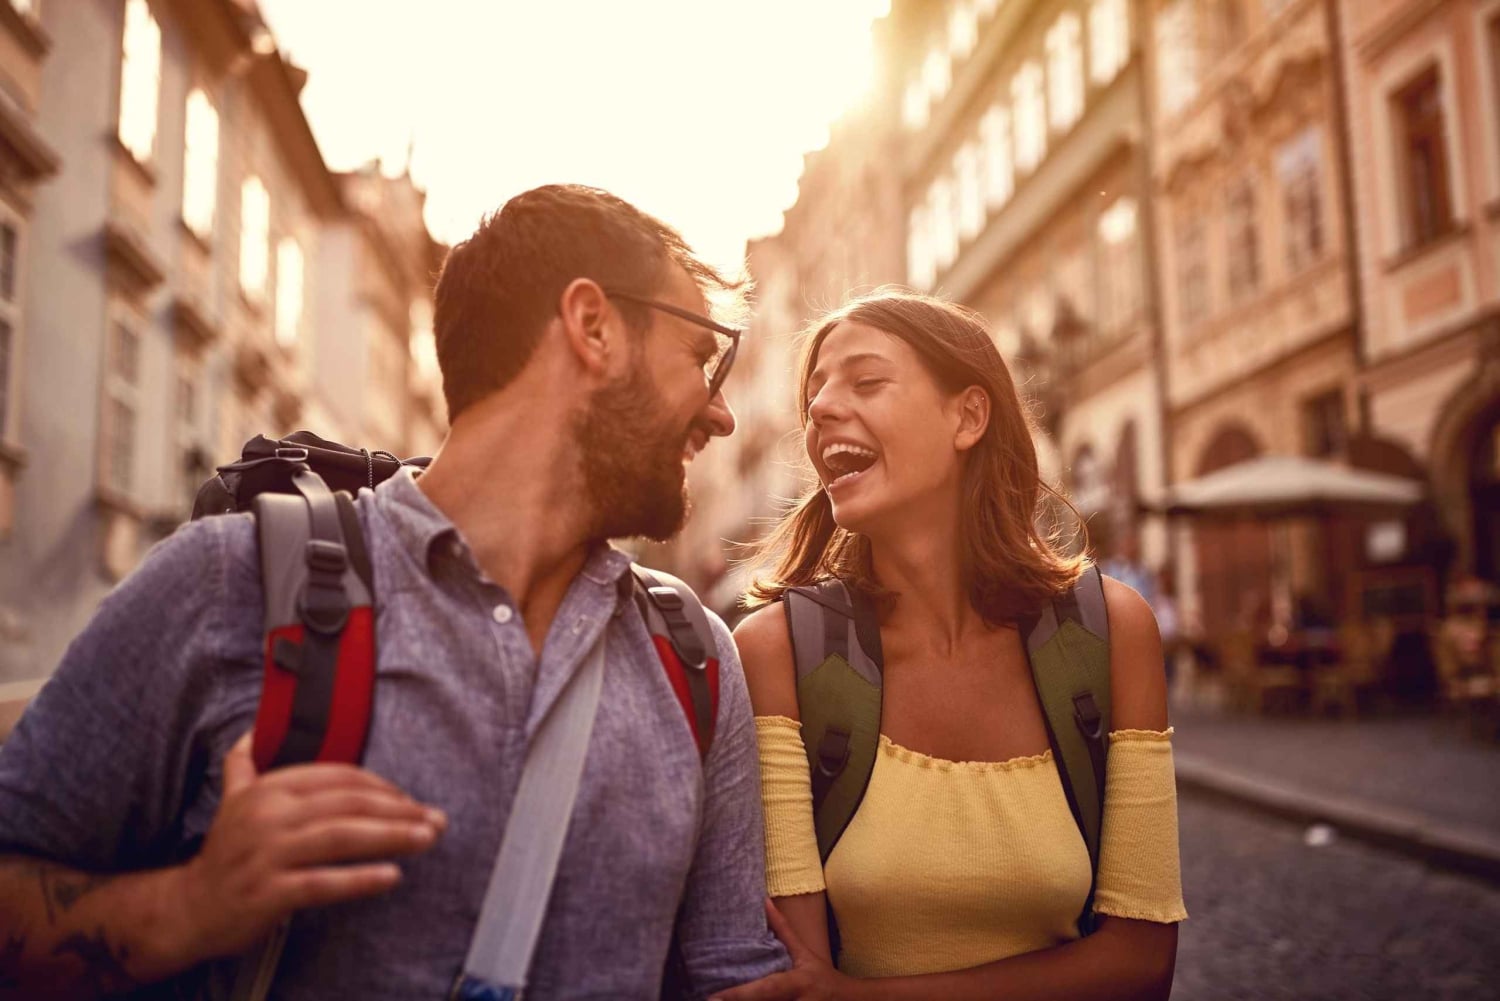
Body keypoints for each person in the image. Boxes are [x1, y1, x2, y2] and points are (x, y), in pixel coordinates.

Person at [0, 185, 788, 999]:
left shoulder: (694, 656)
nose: (722, 415)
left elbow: (733, 977)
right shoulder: (230, 581)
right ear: (592, 326)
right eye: (701, 358)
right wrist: (190, 905)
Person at [715, 292, 1185, 1001]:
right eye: (814, 394)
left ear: (968, 417)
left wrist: (863, 998)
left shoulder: (1113, 631)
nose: (820, 409)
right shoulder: (776, 651)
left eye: (866, 381)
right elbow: (803, 984)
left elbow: (1143, 963)